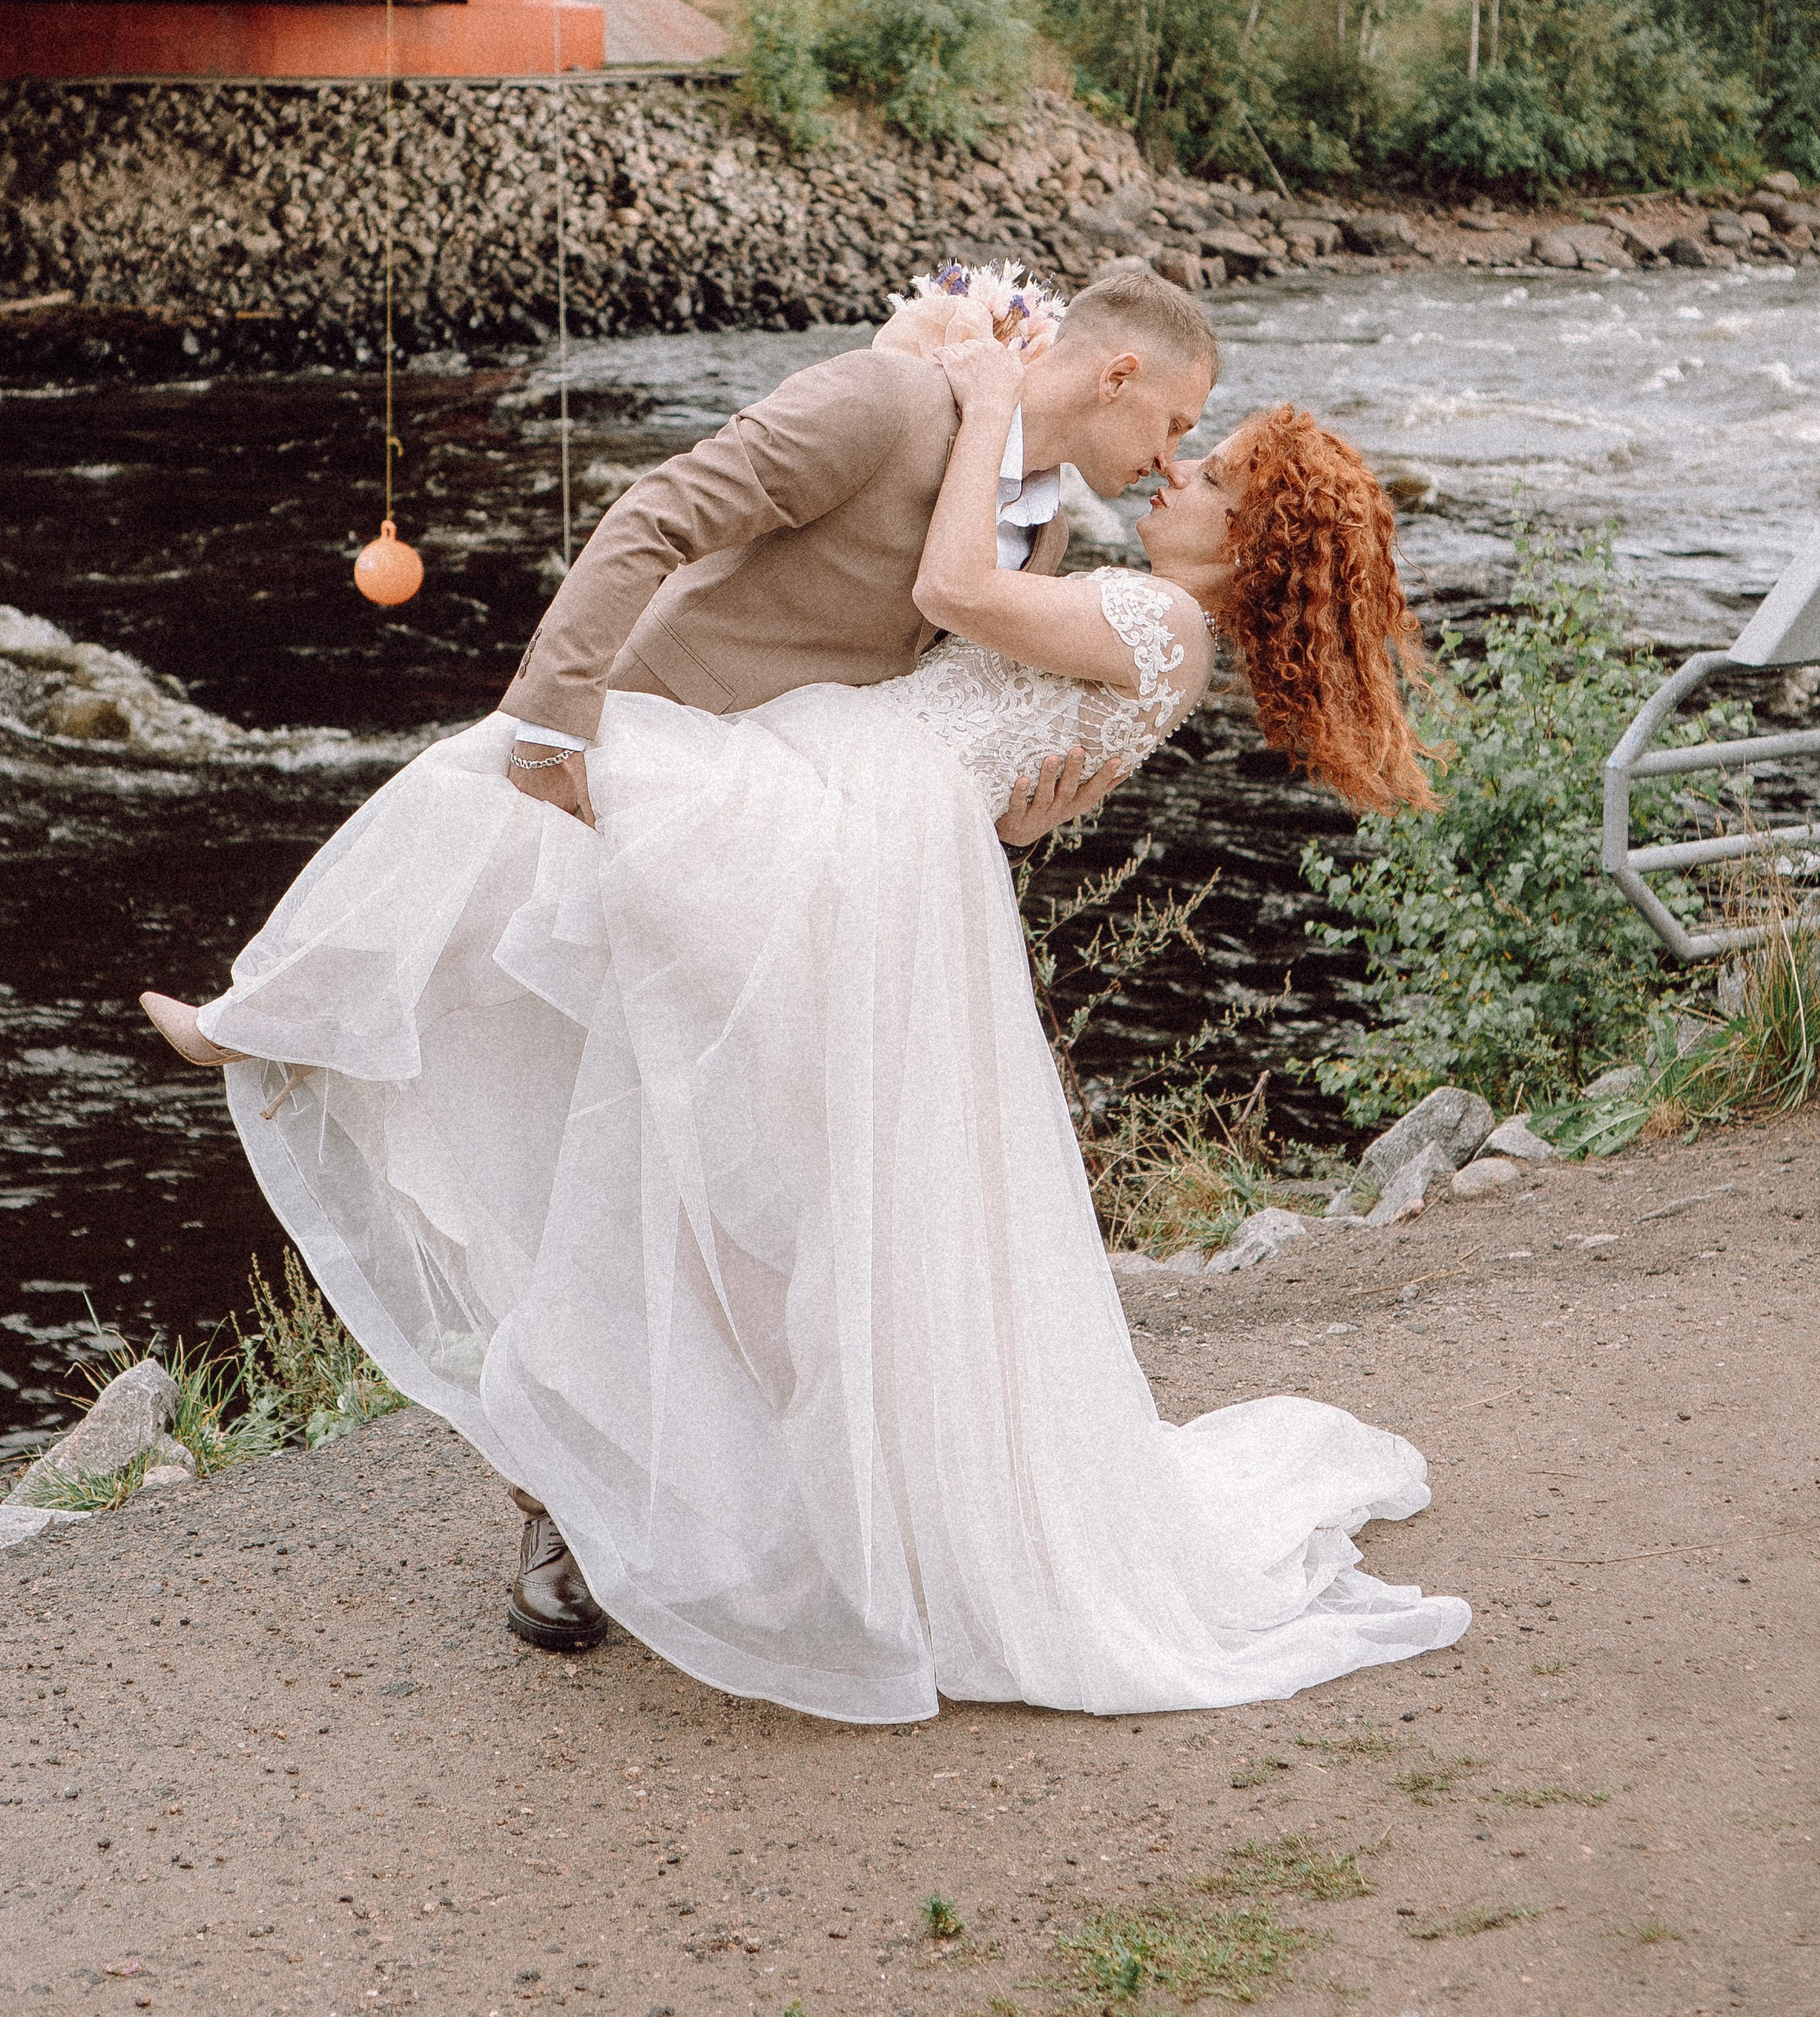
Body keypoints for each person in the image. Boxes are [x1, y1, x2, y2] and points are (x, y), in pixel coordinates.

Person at [142, 261, 1467, 1720]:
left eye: (1206, 462)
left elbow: (953, 600)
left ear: (1251, 535)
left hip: (842, 836)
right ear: (1113, 378)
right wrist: (951, 399)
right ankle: (306, 1037)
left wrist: (972, 407)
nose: (1176, 464)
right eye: (1184, 430)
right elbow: (1004, 745)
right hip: (846, 817)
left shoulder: (1153, 616)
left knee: (738, 1178)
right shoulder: (1051, 531)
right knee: (708, 1145)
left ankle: (288, 1028)